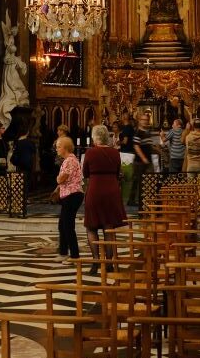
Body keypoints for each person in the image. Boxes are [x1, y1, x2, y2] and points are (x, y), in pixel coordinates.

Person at [82, 124, 127, 276]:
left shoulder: (90, 153)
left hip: (95, 189)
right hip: (111, 190)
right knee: (109, 227)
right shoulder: (115, 153)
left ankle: (96, 262)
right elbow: (118, 170)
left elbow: (85, 172)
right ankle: (109, 262)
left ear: (95, 137)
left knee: (91, 227)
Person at [55, 136, 84, 260]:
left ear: (65, 148)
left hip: (72, 195)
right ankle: (63, 252)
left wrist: (57, 178)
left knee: (67, 225)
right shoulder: (69, 159)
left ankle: (74, 255)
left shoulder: (70, 160)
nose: (56, 149)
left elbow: (62, 178)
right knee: (63, 224)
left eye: (58, 147)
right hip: (70, 194)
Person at [131, 112, 155, 207]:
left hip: (147, 161)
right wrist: (143, 158)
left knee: (146, 180)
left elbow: (148, 146)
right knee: (138, 181)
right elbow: (136, 147)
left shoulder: (147, 132)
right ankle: (134, 200)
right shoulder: (138, 132)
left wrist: (157, 150)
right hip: (139, 162)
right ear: (139, 121)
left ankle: (144, 199)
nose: (145, 122)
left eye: (146, 120)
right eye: (143, 120)